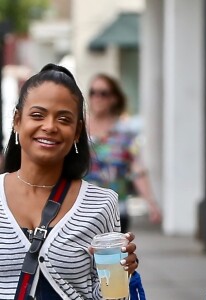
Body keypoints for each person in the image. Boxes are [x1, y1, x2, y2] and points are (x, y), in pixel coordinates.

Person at [1, 63, 138, 299]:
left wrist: (121, 274)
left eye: (64, 119)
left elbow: (111, 296)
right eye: (37, 115)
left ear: (77, 131)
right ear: (17, 120)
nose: (50, 126)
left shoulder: (101, 204)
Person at [85, 73, 162, 233]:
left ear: (114, 98)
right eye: (93, 93)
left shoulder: (126, 133)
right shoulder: (77, 130)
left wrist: (151, 203)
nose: (97, 98)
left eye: (103, 93)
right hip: (80, 212)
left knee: (113, 258)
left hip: (116, 212)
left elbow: (136, 169)